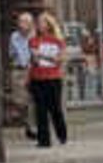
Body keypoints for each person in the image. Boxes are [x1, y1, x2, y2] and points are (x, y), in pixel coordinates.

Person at [23, 11, 71, 147]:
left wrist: (43, 56)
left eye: (42, 22)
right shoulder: (33, 40)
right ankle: (44, 140)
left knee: (55, 108)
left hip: (53, 78)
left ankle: (62, 135)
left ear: (49, 25)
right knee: (40, 110)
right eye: (38, 23)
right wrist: (28, 78)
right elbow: (33, 60)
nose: (39, 25)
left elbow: (60, 59)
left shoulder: (58, 40)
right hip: (37, 78)